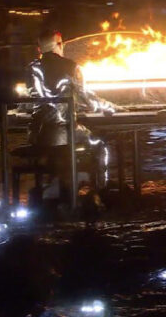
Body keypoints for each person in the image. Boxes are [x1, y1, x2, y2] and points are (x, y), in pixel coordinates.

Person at [26, 29, 117, 202]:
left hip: (38, 135)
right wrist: (108, 106)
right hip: (66, 132)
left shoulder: (31, 69)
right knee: (100, 144)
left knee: (58, 148)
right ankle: (100, 190)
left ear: (39, 49)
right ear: (59, 45)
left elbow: (33, 98)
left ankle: (57, 182)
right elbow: (88, 99)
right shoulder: (71, 66)